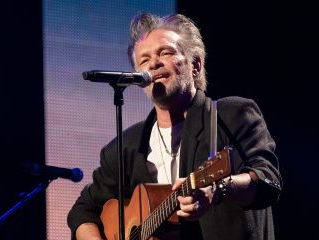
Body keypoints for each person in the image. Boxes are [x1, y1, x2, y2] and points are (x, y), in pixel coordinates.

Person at [67, 13, 282, 240]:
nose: (154, 63)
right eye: (144, 60)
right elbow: (82, 211)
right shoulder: (126, 147)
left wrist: (217, 190)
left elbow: (267, 180)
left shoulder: (231, 116)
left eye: (165, 52)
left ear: (195, 65)